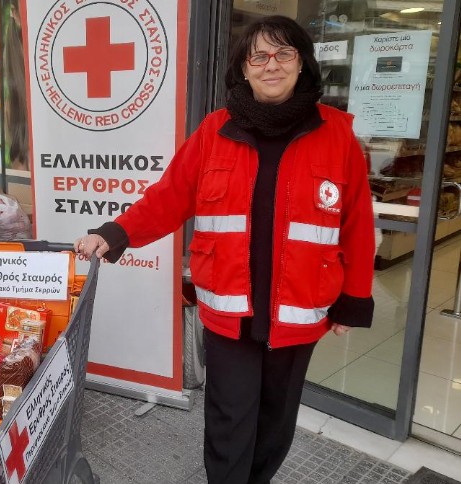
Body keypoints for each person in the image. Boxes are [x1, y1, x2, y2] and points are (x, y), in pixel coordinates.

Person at [74, 15, 375, 484]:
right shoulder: (215, 131)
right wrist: (114, 233)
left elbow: (357, 223)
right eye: (258, 55)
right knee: (230, 420)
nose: (270, 64)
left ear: (302, 64)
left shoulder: (338, 135)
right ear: (244, 67)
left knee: (276, 422)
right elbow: (168, 196)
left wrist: (352, 300)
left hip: (299, 309)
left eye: (284, 54)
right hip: (229, 310)